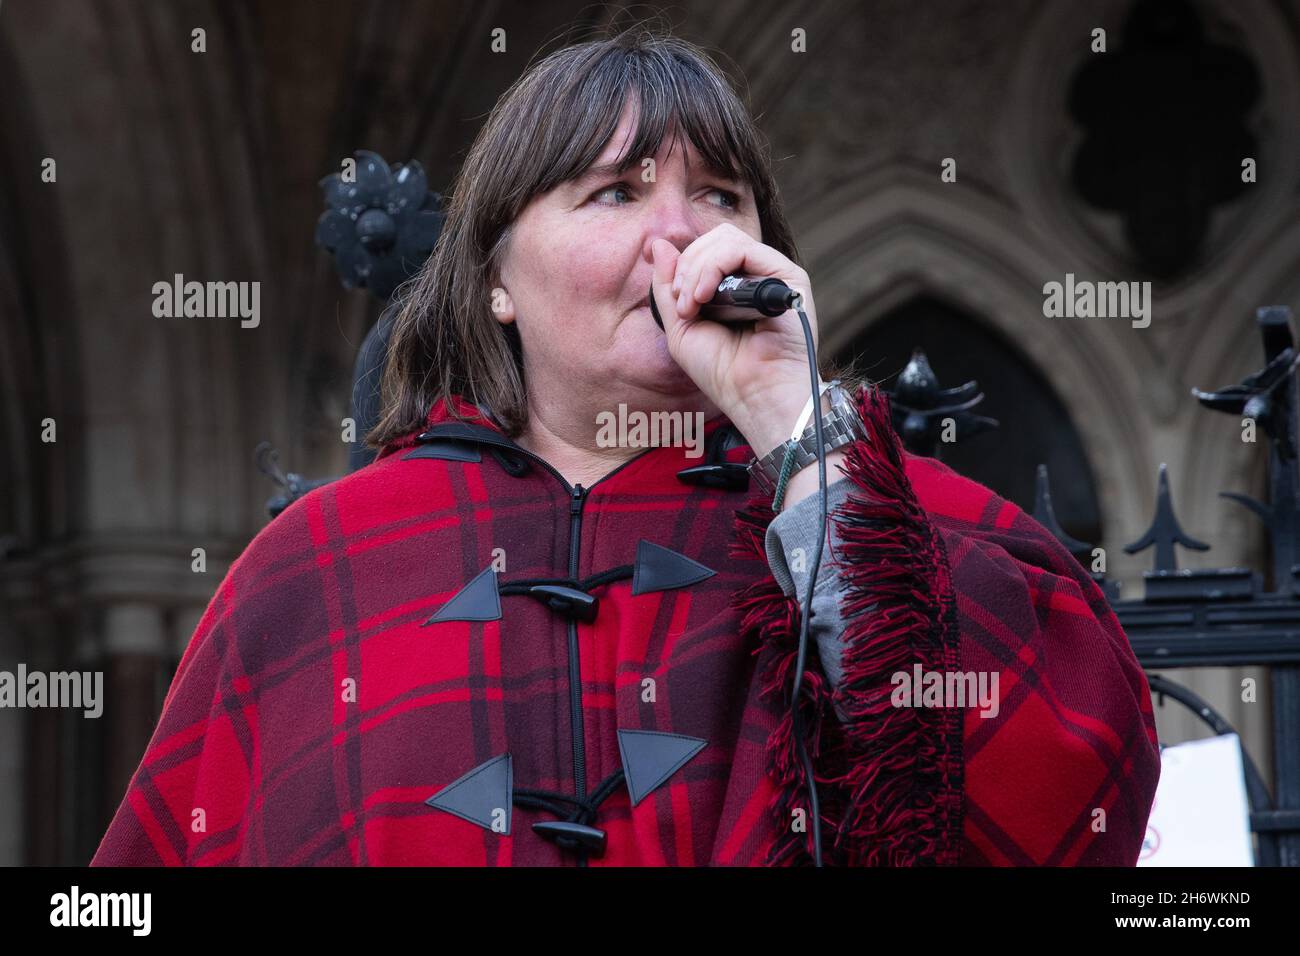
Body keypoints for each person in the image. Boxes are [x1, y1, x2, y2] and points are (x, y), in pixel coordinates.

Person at [91, 26, 1159, 867]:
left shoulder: (877, 514)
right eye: (616, 189)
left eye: (720, 196)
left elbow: (1078, 791)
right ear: (496, 279)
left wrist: (797, 430)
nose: (681, 232)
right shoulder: (318, 563)